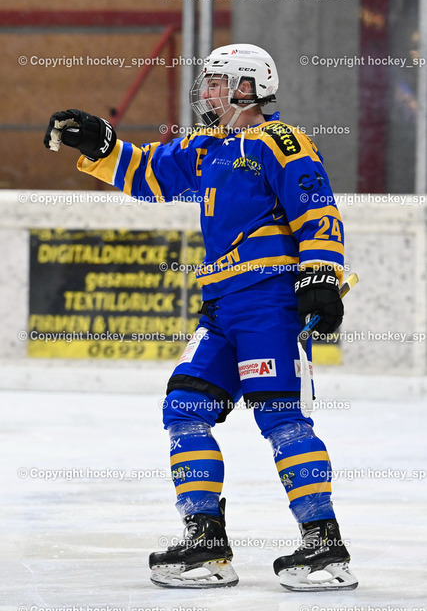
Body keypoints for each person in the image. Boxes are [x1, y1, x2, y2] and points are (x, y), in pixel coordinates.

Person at [44, 43, 358, 591]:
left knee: (281, 416)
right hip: (221, 308)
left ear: (247, 88)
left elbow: (316, 209)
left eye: (216, 83)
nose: (206, 92)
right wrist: (101, 143)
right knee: (183, 408)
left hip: (269, 302)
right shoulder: (205, 146)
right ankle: (206, 543)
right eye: (206, 82)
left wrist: (321, 276)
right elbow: (150, 174)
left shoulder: (280, 141)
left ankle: (324, 546)